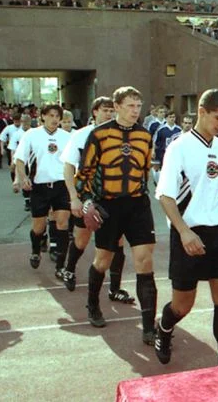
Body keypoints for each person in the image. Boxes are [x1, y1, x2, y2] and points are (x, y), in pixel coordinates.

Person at [154, 89, 218, 366]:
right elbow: (165, 195)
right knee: (183, 305)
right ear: (201, 112)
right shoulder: (179, 147)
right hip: (189, 232)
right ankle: (164, 328)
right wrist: (184, 231)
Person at [75, 86, 158, 345]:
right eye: (130, 106)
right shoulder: (98, 135)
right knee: (103, 260)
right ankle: (92, 305)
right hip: (108, 206)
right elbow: (84, 173)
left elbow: (145, 170)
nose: (135, 111)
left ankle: (148, 327)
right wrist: (87, 201)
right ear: (118, 106)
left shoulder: (145, 135)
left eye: (138, 106)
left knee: (144, 261)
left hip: (138, 205)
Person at [60, 97, 133, 304]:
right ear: (94, 112)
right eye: (105, 110)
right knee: (82, 239)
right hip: (88, 197)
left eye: (112, 110)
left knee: (118, 242)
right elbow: (68, 167)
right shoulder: (81, 135)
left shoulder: (122, 135)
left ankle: (115, 289)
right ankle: (69, 269)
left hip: (114, 198)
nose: (109, 114)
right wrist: (74, 197)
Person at [13, 104, 71, 275]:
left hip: (61, 185)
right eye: (51, 115)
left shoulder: (67, 137)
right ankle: (36, 250)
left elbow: (73, 162)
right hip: (39, 186)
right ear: (43, 116)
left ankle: (60, 266)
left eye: (57, 116)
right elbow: (20, 159)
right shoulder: (32, 135)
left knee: (63, 224)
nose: (54, 119)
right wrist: (23, 177)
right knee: (38, 227)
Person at [9, 114, 32, 211]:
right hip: (22, 159)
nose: (26, 124)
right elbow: (13, 149)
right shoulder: (16, 134)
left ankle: (32, 198)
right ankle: (27, 201)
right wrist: (12, 161)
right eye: (24, 122)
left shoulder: (34, 132)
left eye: (27, 122)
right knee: (24, 178)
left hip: (32, 160)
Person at [0, 113, 22, 180]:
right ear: (13, 120)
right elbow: (2, 138)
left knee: (22, 165)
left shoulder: (23, 128)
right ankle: (14, 180)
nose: (17, 123)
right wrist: (2, 148)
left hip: (22, 148)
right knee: (12, 166)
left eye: (18, 121)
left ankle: (21, 179)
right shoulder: (9, 128)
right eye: (15, 121)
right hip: (12, 148)